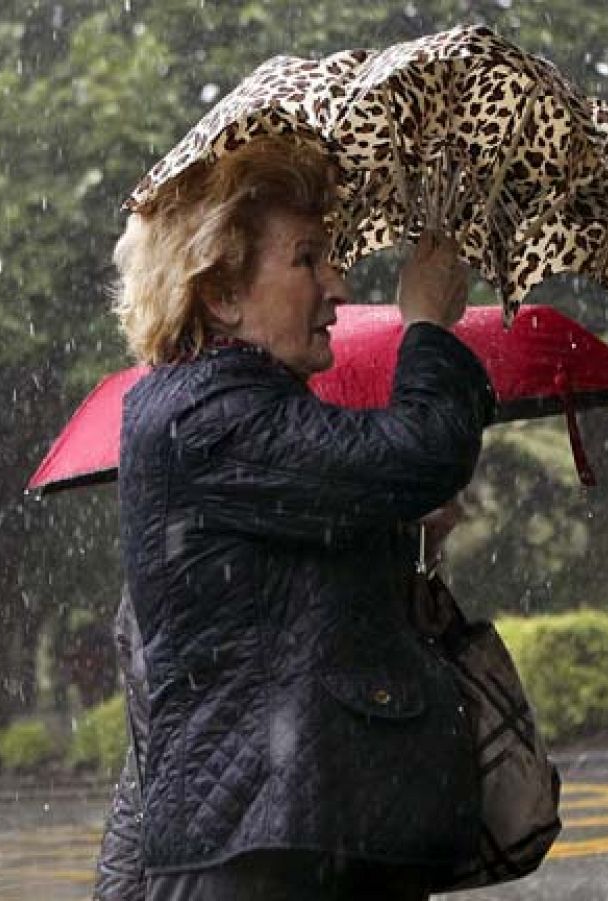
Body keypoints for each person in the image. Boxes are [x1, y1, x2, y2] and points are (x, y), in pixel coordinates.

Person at [99, 133, 494, 900]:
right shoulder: (208, 412)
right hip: (262, 856)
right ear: (221, 294)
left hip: (301, 844)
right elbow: (423, 451)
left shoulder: (253, 413)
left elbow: (296, 619)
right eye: (307, 258)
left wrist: (406, 541)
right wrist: (427, 327)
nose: (338, 287)